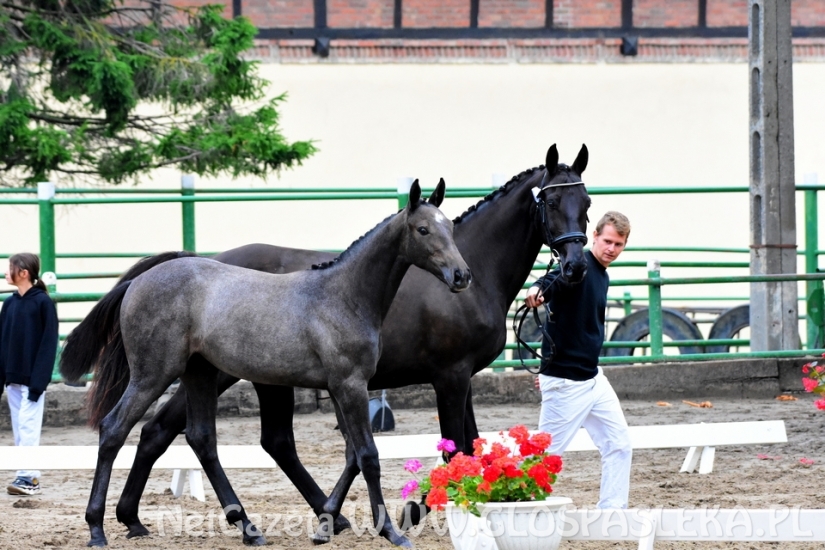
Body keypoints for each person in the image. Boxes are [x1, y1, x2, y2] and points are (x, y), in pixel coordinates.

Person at [525, 211, 632, 509]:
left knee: (619, 445)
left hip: (593, 378)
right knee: (542, 460)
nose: (612, 248)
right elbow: (553, 279)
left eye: (619, 244)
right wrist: (538, 290)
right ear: (594, 236)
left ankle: (612, 513)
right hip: (566, 382)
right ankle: (515, 513)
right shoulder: (579, 265)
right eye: (607, 241)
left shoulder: (602, 272)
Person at [0, 253, 59, 496]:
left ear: (23, 273)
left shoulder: (43, 303)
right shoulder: (10, 303)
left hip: (32, 381)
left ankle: (30, 478)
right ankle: (24, 475)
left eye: (10, 268)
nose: (6, 272)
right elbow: (2, 342)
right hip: (12, 380)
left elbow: (48, 345)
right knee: (19, 426)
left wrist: (38, 383)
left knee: (28, 426)